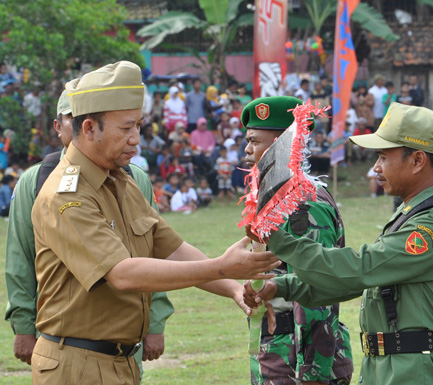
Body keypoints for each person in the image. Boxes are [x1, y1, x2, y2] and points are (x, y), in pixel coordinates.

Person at [29, 61, 279, 385]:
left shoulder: (120, 180)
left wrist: (232, 288)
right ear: (89, 129)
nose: (136, 138)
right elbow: (122, 273)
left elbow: (170, 249)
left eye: (139, 126)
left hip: (119, 362)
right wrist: (222, 268)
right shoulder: (66, 195)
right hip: (77, 365)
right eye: (125, 128)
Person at [243, 102, 433, 385]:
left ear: (417, 161)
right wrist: (282, 286)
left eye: (384, 157)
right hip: (392, 366)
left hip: (413, 372)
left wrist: (276, 238)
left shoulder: (432, 226)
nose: (375, 167)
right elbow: (357, 281)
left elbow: (358, 269)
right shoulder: (414, 215)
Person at [5, 90, 173, 380]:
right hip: (74, 341)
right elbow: (21, 257)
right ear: (61, 127)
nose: (133, 137)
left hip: (123, 344)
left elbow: (154, 250)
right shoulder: (40, 181)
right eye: (74, 119)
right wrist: (23, 325)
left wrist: (155, 322)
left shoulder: (131, 178)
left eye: (137, 127)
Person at [241, 96, 354, 385]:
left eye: (255, 141)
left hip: (300, 359)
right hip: (278, 351)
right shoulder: (277, 198)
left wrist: (313, 373)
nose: (247, 150)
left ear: (282, 143)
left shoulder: (301, 204)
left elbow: (317, 288)